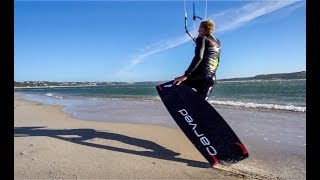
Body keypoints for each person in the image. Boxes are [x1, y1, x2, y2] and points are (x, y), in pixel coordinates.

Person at [173, 20, 221, 101]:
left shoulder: (201, 38)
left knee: (176, 84)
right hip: (210, 80)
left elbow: (199, 57)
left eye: (200, 28)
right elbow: (210, 50)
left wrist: (185, 75)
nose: (198, 31)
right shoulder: (218, 42)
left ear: (204, 29)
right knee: (200, 106)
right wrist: (198, 43)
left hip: (199, 76)